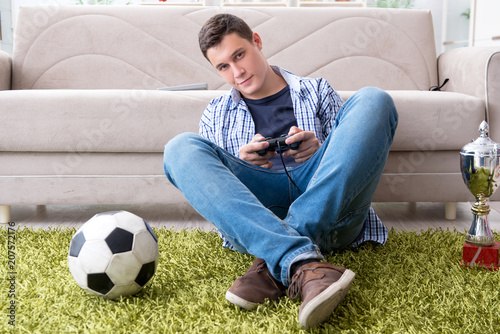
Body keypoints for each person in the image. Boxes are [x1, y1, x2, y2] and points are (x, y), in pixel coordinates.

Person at [163, 13, 398, 329]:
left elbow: (351, 156)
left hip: (330, 207)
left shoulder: (315, 90)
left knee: (374, 99)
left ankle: (276, 256)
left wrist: (319, 147)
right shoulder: (215, 114)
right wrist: (241, 162)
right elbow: (219, 193)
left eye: (240, 55)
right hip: (262, 211)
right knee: (180, 148)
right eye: (223, 67)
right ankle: (302, 262)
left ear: (256, 42)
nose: (237, 72)